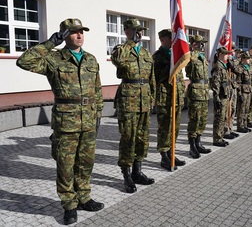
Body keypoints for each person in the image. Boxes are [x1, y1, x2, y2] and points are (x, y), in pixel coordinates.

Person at [16, 18, 104, 225]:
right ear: (64, 35)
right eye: (74, 32)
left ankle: (84, 197)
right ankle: (69, 205)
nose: (80, 35)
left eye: (82, 31)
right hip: (66, 121)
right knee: (65, 165)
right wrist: (49, 43)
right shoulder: (54, 59)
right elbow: (23, 61)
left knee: (85, 163)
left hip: (89, 120)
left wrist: (98, 114)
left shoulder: (91, 59)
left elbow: (97, 90)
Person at [111, 18, 155, 194]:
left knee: (142, 138)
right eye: (135, 30)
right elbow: (117, 60)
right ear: (127, 31)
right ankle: (126, 174)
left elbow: (151, 78)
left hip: (144, 100)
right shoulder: (121, 49)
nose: (139, 33)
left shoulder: (145, 53)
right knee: (128, 137)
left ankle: (137, 171)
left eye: (141, 30)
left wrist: (153, 98)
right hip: (128, 101)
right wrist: (130, 42)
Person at [152, 29, 186, 170]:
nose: (173, 41)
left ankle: (172, 152)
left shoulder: (175, 56)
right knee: (165, 128)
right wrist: (170, 65)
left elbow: (180, 78)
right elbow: (157, 77)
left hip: (176, 97)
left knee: (175, 127)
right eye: (169, 38)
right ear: (162, 40)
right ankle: (164, 156)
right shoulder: (157, 57)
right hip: (165, 98)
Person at [185, 35, 212, 158]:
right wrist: (193, 51)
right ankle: (192, 147)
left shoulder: (202, 57)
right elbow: (188, 70)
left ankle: (198, 143)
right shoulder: (191, 56)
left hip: (204, 92)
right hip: (195, 92)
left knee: (202, 120)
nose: (202, 46)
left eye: (203, 43)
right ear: (194, 44)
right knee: (194, 120)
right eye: (200, 43)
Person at [211, 46, 231, 147]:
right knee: (219, 118)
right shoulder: (218, 66)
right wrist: (216, 98)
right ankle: (217, 139)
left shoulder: (223, 65)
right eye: (225, 54)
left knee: (223, 118)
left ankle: (221, 137)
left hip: (224, 96)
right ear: (220, 54)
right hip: (220, 96)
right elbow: (215, 83)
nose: (227, 56)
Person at [236, 51, 252, 133]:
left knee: (246, 109)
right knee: (241, 109)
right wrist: (239, 94)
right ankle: (240, 126)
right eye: (247, 58)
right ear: (243, 59)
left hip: (248, 90)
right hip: (243, 90)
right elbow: (238, 82)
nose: (249, 60)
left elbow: (250, 80)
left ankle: (245, 125)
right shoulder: (240, 68)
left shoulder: (247, 67)